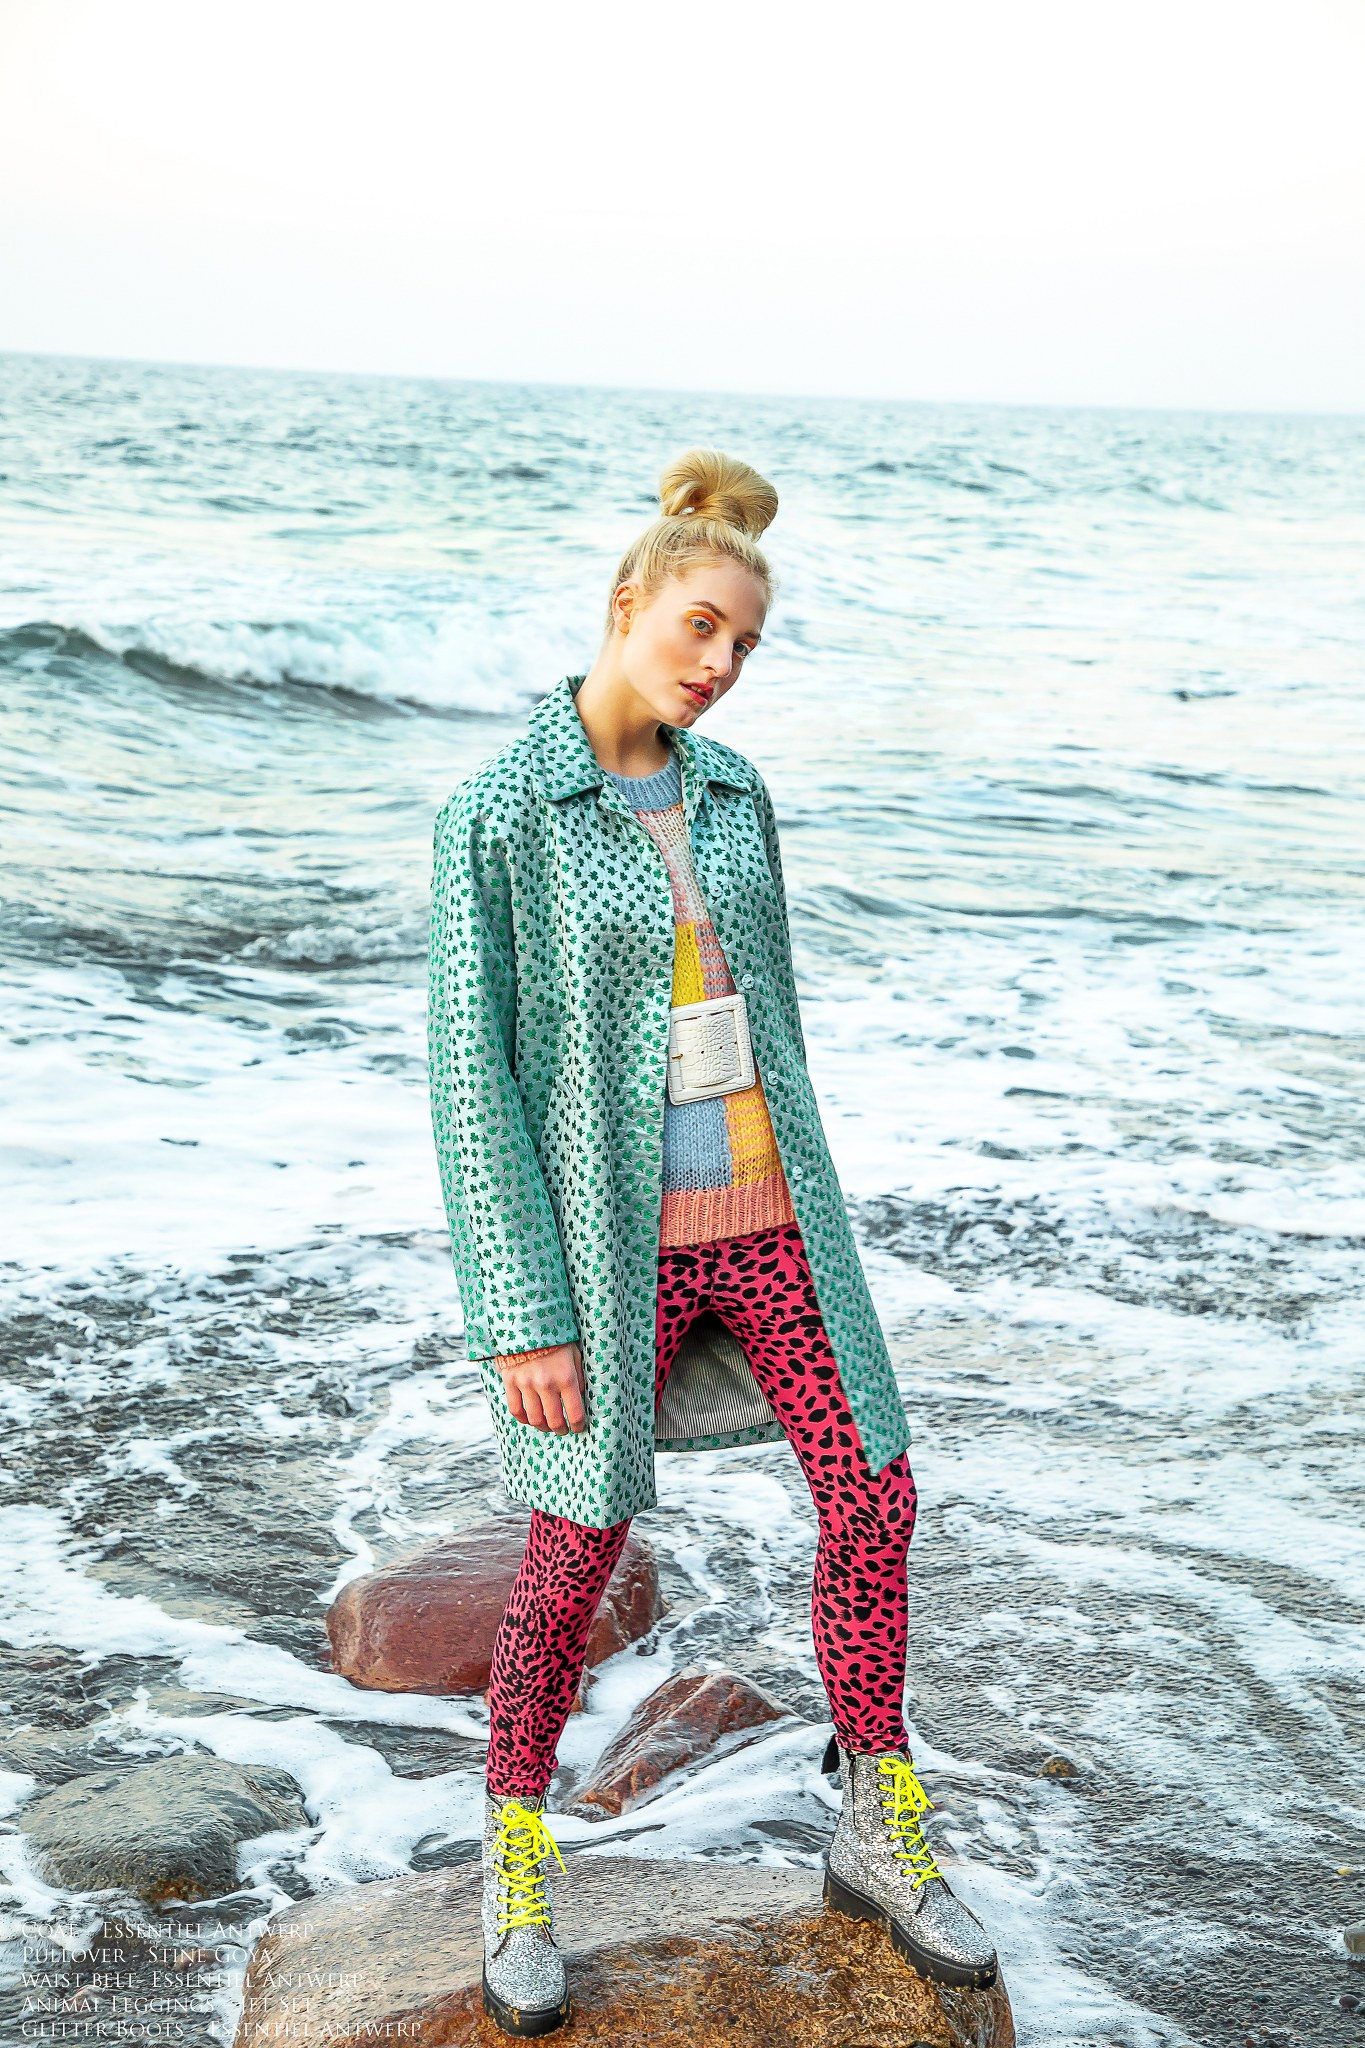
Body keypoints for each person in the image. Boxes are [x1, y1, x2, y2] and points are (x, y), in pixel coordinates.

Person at [427, 449, 997, 2037]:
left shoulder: (737, 796)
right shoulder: (499, 815)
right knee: (574, 1548)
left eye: (742, 644)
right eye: (698, 627)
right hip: (609, 1253)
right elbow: (471, 1074)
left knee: (874, 1494)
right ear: (626, 605)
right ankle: (517, 1856)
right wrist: (519, 1309)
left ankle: (874, 1820)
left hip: (771, 1223)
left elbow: (768, 1025)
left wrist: (804, 1202)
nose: (718, 664)